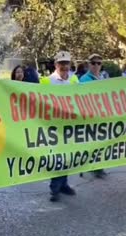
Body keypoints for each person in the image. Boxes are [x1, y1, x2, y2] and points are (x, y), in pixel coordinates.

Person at [40, 51, 79, 202]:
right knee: (57, 157)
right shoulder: (46, 81)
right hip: (54, 125)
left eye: (66, 63)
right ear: (55, 64)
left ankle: (63, 184)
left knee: (67, 156)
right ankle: (55, 187)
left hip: (70, 125)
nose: (64, 66)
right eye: (61, 63)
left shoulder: (75, 79)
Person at [79, 53, 108, 179]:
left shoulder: (102, 78)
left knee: (100, 141)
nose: (96, 65)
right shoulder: (83, 80)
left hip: (102, 114)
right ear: (88, 64)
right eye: (93, 63)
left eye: (99, 63)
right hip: (89, 115)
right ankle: (95, 167)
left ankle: (97, 165)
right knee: (93, 142)